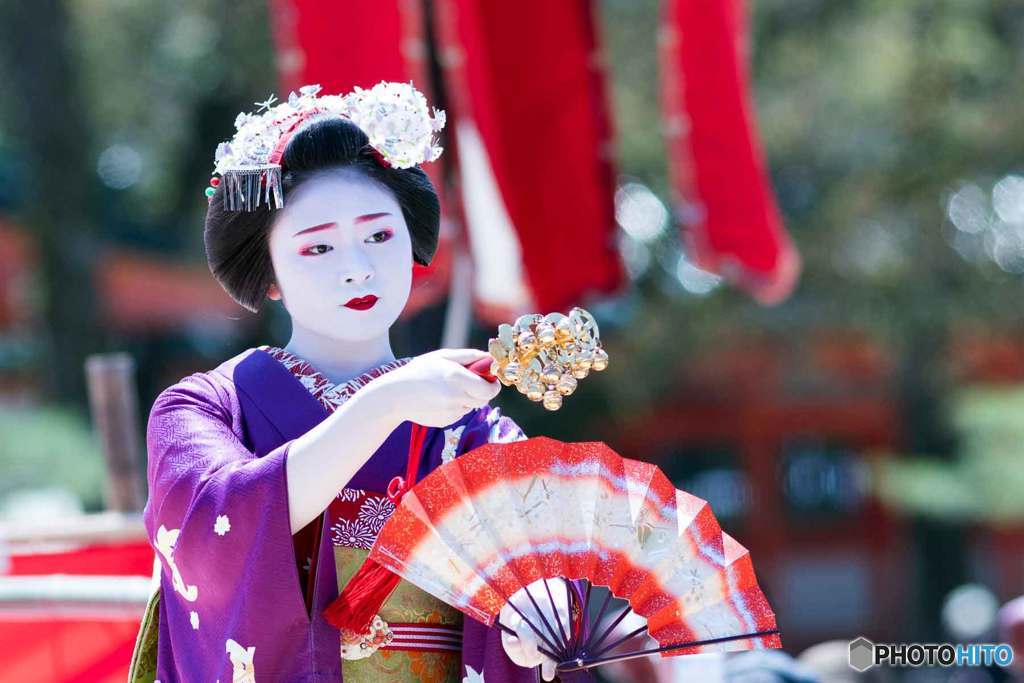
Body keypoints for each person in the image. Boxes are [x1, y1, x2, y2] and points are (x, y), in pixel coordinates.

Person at [136, 82, 573, 682]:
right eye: (317, 247)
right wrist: (387, 403)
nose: (357, 268)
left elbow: (534, 549)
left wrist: (537, 603)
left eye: (379, 235)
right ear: (269, 275)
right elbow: (217, 531)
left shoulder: (471, 425)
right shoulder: (205, 410)